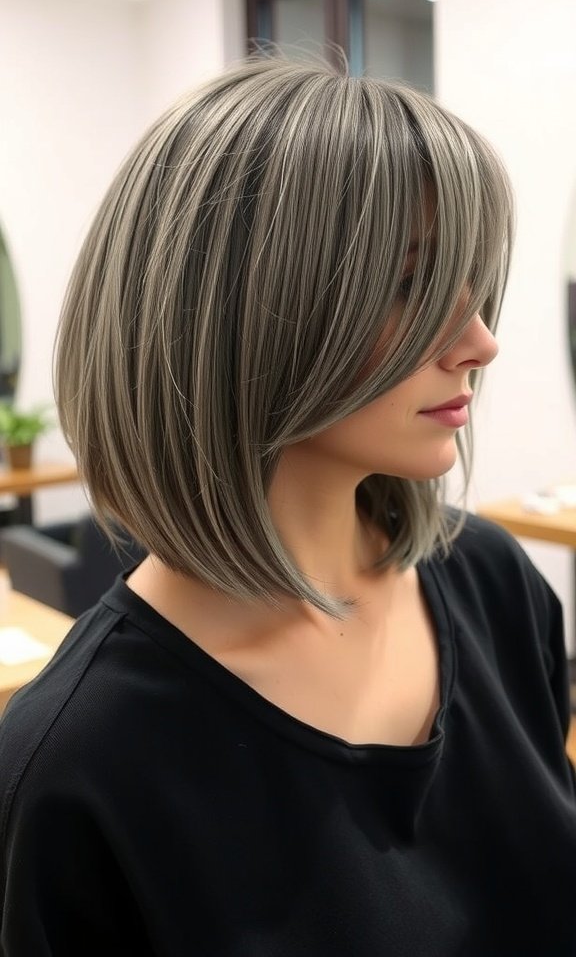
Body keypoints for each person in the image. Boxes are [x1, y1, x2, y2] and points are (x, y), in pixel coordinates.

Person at [0, 54, 575, 956]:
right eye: (409, 284)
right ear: (236, 310)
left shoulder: (494, 585)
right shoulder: (78, 766)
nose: (481, 341)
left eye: (471, 283)